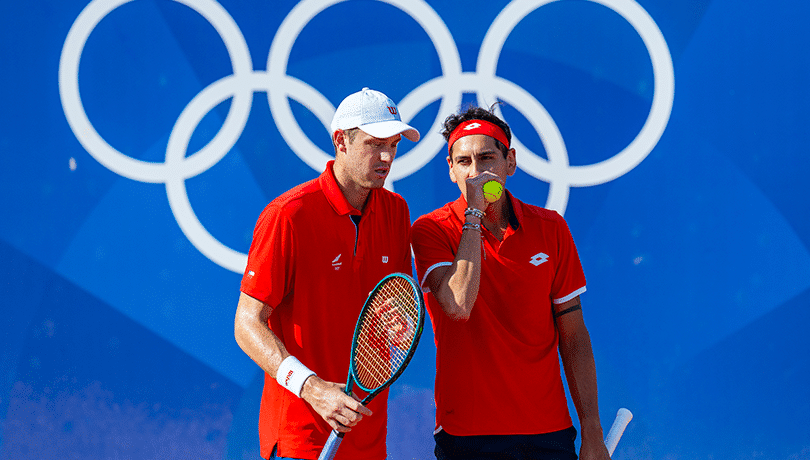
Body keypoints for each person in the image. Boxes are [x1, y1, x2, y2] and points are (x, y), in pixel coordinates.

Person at [410, 105, 611, 460]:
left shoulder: (551, 228)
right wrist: (474, 213)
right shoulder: (431, 229)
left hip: (549, 431)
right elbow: (457, 305)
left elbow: (574, 337)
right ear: (451, 170)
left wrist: (592, 431)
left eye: (487, 158)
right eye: (464, 162)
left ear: (510, 163)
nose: (476, 172)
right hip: (469, 434)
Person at [234, 87, 419, 460]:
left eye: (394, 145)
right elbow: (246, 324)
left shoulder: (396, 211)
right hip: (299, 438)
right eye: (374, 144)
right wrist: (312, 388)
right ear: (341, 142)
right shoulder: (289, 215)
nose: (387, 157)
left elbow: (395, 302)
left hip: (366, 435)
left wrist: (396, 321)